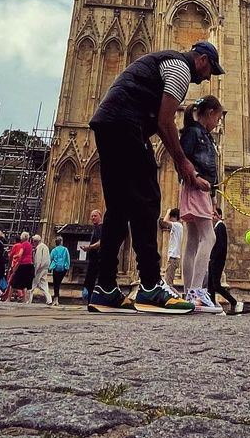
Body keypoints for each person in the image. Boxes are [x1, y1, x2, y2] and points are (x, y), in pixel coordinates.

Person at [87, 40, 224, 314]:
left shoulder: (163, 62)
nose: (208, 78)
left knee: (119, 207)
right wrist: (183, 162)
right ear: (203, 61)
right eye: (211, 71)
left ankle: (105, 289)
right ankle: (150, 286)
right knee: (147, 199)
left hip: (107, 123)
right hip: (126, 124)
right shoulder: (181, 68)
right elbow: (164, 121)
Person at [179, 97, 224, 313]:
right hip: (196, 187)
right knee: (209, 237)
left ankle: (189, 293)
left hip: (200, 189)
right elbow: (181, 158)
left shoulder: (203, 134)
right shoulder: (194, 132)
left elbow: (212, 173)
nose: (218, 122)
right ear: (210, 112)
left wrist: (213, 199)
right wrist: (195, 177)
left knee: (194, 240)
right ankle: (196, 291)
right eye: (218, 117)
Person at [207, 204, 241, 314]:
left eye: (214, 214)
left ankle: (233, 302)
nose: (212, 216)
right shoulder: (216, 227)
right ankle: (212, 307)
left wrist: (214, 258)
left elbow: (221, 245)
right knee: (210, 285)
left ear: (220, 215)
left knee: (216, 285)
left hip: (217, 260)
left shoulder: (220, 226)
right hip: (213, 259)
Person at [4, 231, 35, 304]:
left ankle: (8, 298)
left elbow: (20, 254)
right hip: (30, 265)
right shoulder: (30, 245)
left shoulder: (23, 244)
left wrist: (14, 256)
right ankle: (24, 299)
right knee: (25, 283)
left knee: (13, 281)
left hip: (23, 264)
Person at [81, 209, 102, 302]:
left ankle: (93, 301)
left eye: (95, 216)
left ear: (100, 216)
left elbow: (101, 242)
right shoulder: (96, 228)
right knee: (90, 280)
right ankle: (91, 301)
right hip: (94, 259)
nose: (93, 218)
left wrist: (89, 247)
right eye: (92, 216)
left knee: (92, 280)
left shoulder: (100, 228)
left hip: (97, 259)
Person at [161, 208, 183, 289]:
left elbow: (164, 221)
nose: (170, 219)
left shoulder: (177, 225)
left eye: (171, 217)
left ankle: (178, 298)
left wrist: (168, 211)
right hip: (173, 258)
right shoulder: (178, 227)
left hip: (173, 258)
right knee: (168, 283)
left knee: (168, 284)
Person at [31, 233, 53, 305]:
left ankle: (28, 299)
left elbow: (38, 260)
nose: (33, 243)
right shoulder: (45, 246)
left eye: (34, 241)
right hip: (45, 268)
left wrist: (35, 270)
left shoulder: (39, 247)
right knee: (44, 285)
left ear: (36, 241)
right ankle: (49, 299)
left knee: (32, 285)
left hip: (40, 268)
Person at [49, 236, 70, 304]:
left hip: (55, 268)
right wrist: (67, 267)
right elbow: (68, 259)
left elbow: (51, 258)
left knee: (56, 283)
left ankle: (56, 299)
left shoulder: (54, 250)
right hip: (63, 268)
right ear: (61, 242)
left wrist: (50, 267)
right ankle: (56, 298)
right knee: (58, 283)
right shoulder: (65, 249)